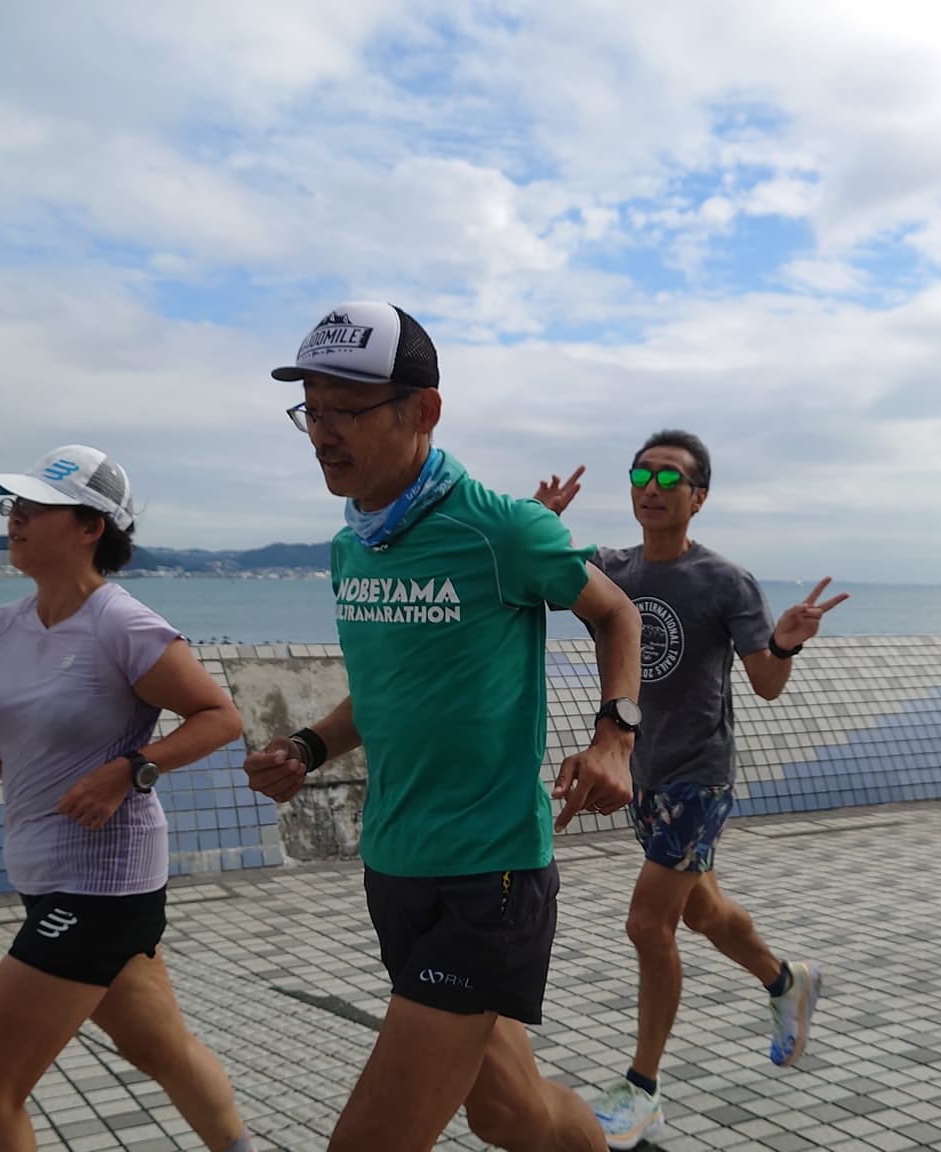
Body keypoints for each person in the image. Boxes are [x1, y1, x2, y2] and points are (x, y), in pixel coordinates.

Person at [244, 302, 643, 1152]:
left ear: (422, 410)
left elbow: (617, 614)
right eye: (311, 410)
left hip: (486, 874)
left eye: (347, 410)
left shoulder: (502, 529)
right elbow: (383, 694)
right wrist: (309, 747)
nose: (323, 432)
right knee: (511, 1114)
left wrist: (615, 737)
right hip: (394, 864)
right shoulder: (352, 547)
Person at [0, 445, 257, 1152]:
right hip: (41, 875)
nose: (15, 518)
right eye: (13, 505)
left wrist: (129, 770)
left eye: (34, 507)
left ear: (90, 527)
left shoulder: (123, 624)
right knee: (158, 1048)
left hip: (103, 883)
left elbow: (220, 717)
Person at [533, 433, 843, 1150]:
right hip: (642, 775)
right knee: (703, 911)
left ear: (698, 497)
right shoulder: (610, 568)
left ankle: (641, 1091)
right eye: (641, 474)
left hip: (699, 778)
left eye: (670, 478)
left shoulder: (725, 581)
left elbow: (765, 683)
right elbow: (539, 576)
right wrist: (540, 523)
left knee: (648, 925)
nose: (652, 486)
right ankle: (787, 981)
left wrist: (786, 641)